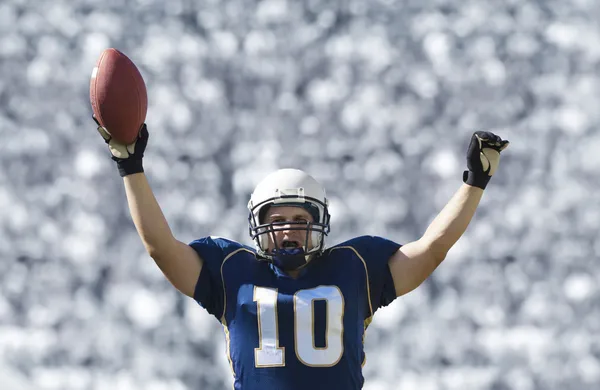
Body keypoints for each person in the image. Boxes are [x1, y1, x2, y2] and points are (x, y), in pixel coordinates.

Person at [95, 119, 509, 389]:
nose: (290, 229)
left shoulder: (354, 265)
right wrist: (130, 166)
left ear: (321, 222)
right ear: (259, 226)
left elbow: (431, 250)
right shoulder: (232, 269)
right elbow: (160, 248)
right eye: (278, 220)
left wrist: (474, 182)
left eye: (300, 217)